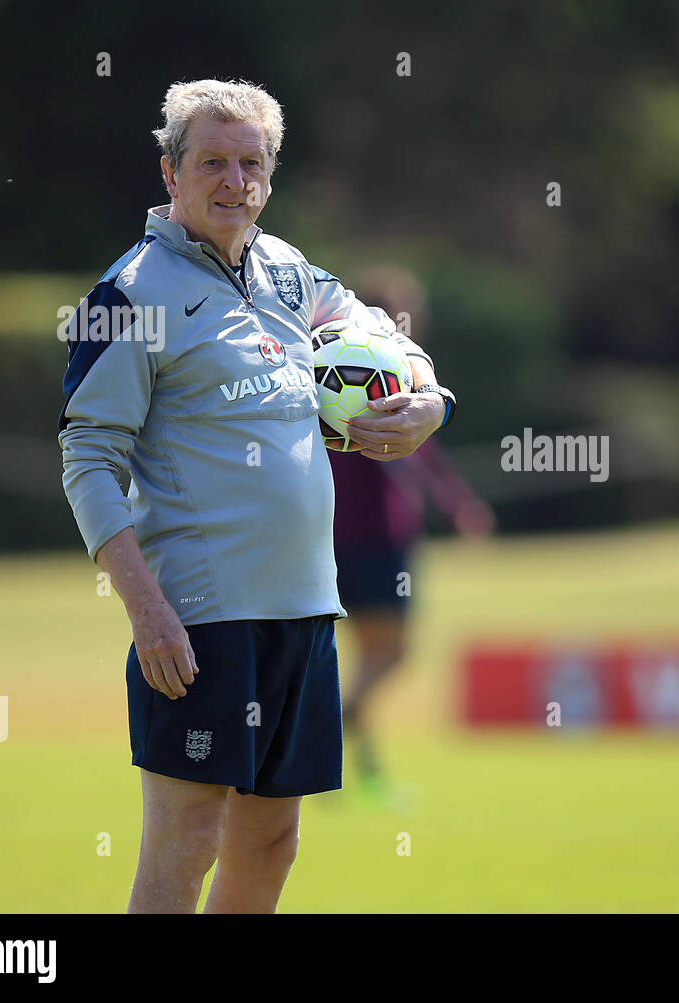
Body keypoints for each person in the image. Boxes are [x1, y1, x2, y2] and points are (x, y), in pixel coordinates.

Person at [57, 78, 454, 913]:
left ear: (270, 175)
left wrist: (428, 398)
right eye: (212, 162)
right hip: (199, 618)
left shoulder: (287, 269)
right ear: (171, 173)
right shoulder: (129, 294)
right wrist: (146, 609)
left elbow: (384, 333)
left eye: (251, 163)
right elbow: (88, 457)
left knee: (271, 846)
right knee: (186, 841)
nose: (234, 181)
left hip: (307, 609)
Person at [326, 266, 494, 806]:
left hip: (333, 536)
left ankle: (356, 772)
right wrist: (461, 504)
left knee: (362, 657)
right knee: (391, 654)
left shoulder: (331, 365)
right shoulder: (383, 370)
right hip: (377, 537)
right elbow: (421, 451)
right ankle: (334, 721)